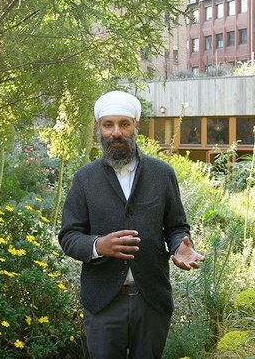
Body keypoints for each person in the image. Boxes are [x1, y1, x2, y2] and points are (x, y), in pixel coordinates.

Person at [59, 90, 204, 359]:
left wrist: (179, 247)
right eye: (108, 125)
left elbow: (175, 227)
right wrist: (97, 245)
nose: (116, 132)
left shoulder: (162, 173)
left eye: (124, 124)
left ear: (136, 126)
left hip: (151, 300)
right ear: (99, 128)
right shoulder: (85, 179)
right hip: (103, 301)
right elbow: (68, 236)